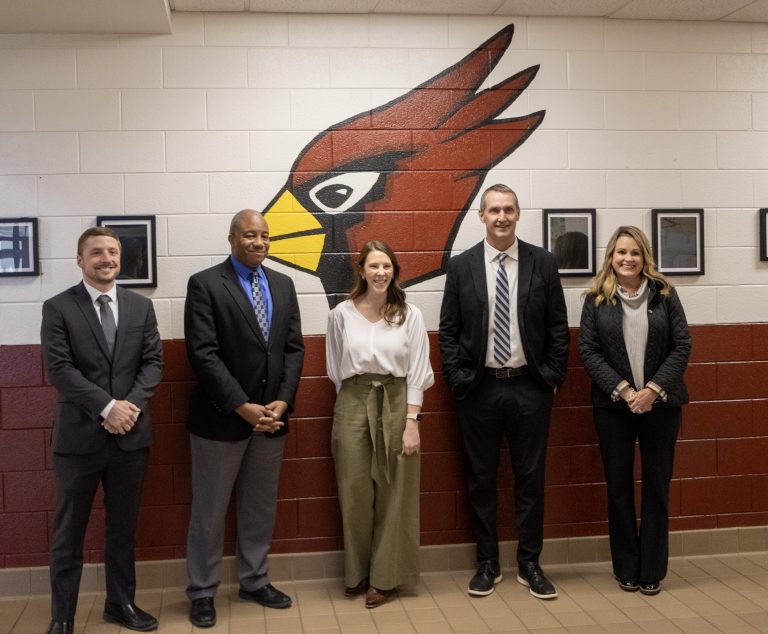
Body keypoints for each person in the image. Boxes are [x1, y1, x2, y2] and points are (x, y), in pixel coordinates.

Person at [438, 184, 569, 600]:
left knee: (530, 479)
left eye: (508, 209)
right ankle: (487, 563)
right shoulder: (461, 266)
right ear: (481, 216)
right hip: (478, 389)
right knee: (481, 479)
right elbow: (449, 331)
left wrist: (550, 377)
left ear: (518, 214)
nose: (501, 217)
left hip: (530, 387)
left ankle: (530, 564)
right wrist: (458, 378)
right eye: (494, 210)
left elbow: (557, 327)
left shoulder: (542, 262)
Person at [183, 209, 304, 628]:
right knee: (209, 512)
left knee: (259, 507)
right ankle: (202, 591)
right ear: (232, 238)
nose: (259, 242)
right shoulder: (205, 284)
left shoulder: (283, 285)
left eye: (265, 236)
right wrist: (242, 405)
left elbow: (293, 349)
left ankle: (254, 580)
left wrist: (282, 402)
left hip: (272, 419)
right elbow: (203, 354)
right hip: (221, 419)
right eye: (250, 235)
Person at [41, 227, 163, 634]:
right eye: (96, 252)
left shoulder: (140, 307)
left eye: (112, 251)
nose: (106, 258)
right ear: (80, 260)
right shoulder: (58, 308)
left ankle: (120, 604)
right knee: (68, 533)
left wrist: (128, 409)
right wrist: (108, 408)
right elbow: (60, 369)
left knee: (122, 530)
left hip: (131, 437)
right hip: (79, 440)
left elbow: (153, 364)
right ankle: (62, 616)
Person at [579, 226, 691, 596]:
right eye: (621, 252)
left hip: (662, 405)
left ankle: (652, 570)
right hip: (614, 406)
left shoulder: (665, 294)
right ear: (611, 257)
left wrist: (653, 391)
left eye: (635, 252)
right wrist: (626, 391)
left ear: (645, 257)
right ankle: (626, 567)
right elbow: (588, 351)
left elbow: (682, 345)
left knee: (657, 487)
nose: (628, 259)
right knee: (619, 487)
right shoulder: (596, 298)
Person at [326, 241, 434, 609]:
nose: (380, 272)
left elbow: (418, 369)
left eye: (387, 266)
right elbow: (334, 367)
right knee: (354, 490)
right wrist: (352, 402)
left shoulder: (410, 315)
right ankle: (357, 572)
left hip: (397, 400)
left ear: (394, 271)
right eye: (373, 266)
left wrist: (411, 421)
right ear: (361, 270)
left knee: (394, 491)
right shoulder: (340, 315)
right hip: (353, 400)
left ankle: (384, 578)